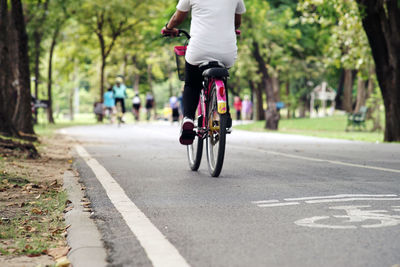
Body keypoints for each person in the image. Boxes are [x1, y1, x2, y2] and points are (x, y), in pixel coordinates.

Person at [162, 0, 246, 145]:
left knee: (191, 84)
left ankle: (188, 118)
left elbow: (178, 18)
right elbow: (237, 22)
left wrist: (169, 28)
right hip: (226, 52)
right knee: (223, 71)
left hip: (199, 51)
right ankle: (224, 112)